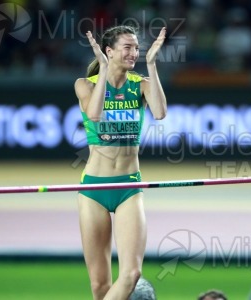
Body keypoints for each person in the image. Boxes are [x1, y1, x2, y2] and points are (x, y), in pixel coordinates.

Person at [74, 25, 167, 300]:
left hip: (128, 186)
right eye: (127, 47)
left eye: (136, 48)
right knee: (100, 287)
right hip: (94, 190)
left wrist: (151, 64)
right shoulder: (84, 84)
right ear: (109, 51)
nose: (134, 53)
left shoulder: (140, 84)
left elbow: (160, 113)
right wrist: (103, 70)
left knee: (131, 275)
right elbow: (94, 115)